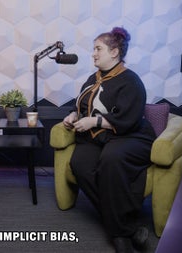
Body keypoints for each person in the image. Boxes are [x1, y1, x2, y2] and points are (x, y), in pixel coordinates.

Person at [62, 27, 156, 253]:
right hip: (98, 138)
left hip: (129, 135)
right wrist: (74, 115)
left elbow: (129, 119)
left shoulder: (130, 81)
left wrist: (93, 122)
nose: (93, 54)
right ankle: (129, 228)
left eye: (98, 49)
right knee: (80, 165)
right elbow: (84, 105)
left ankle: (119, 238)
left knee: (111, 159)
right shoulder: (91, 78)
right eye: (93, 49)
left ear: (114, 52)